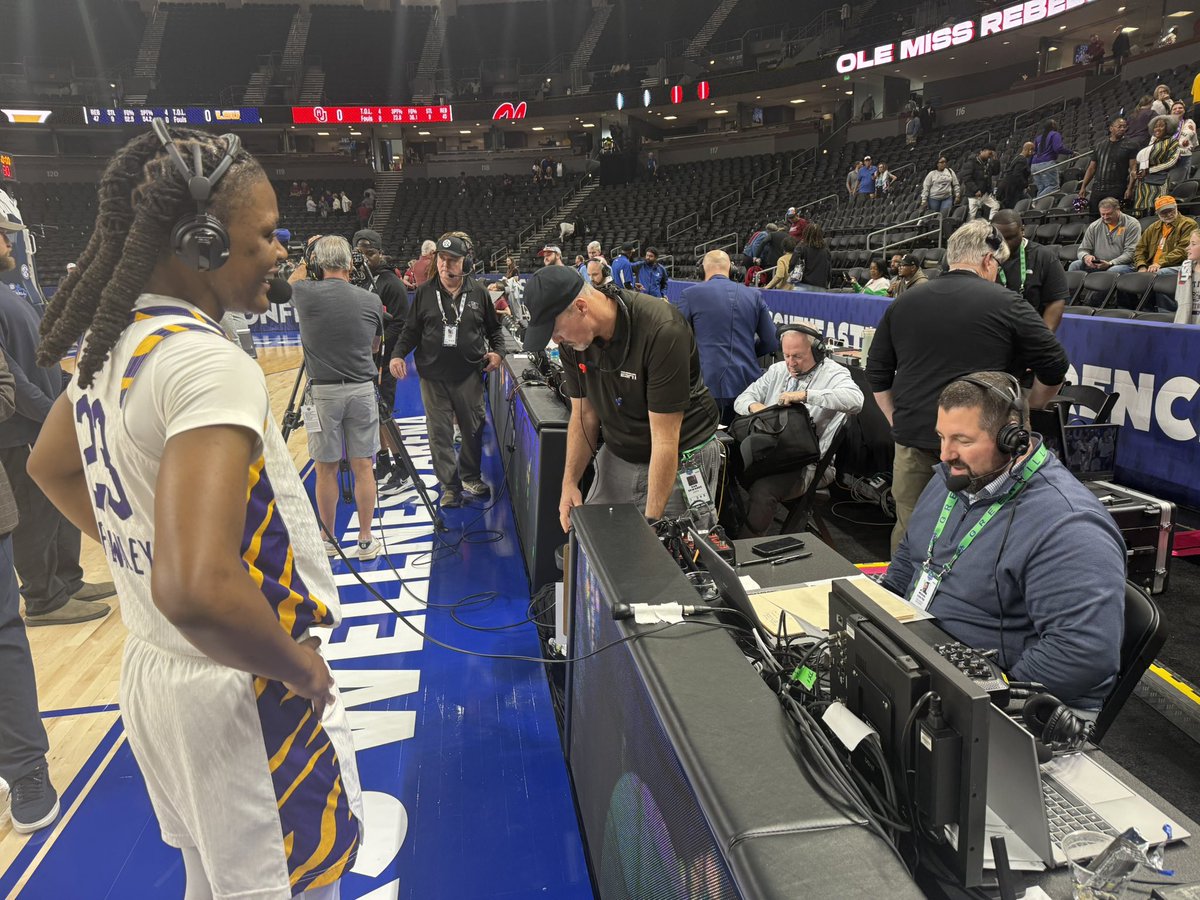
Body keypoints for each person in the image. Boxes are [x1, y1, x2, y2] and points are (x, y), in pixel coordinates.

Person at [28, 123, 362, 897]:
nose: (283, 253)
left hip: (155, 675)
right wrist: (300, 668)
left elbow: (49, 466)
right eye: (268, 236)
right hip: (240, 685)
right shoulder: (207, 362)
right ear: (203, 243)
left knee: (212, 884)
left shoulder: (117, 345)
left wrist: (140, 549)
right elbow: (197, 589)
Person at [881, 373, 1125, 712]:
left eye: (962, 440)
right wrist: (872, 624)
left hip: (1006, 699)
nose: (945, 454)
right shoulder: (959, 478)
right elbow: (911, 558)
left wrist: (983, 698)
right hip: (926, 662)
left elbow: (1081, 655)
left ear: (1013, 439)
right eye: (941, 436)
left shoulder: (1069, 526)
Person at [865, 219, 1069, 552]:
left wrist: (895, 420)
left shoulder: (905, 302)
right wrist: (1029, 409)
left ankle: (900, 601)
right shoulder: (1008, 303)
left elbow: (877, 372)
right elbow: (1056, 365)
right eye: (998, 265)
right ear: (989, 260)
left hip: (914, 438)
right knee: (981, 537)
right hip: (985, 445)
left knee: (910, 534)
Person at [521, 266, 721, 530]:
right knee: (596, 545)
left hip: (678, 457)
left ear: (581, 307)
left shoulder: (662, 330)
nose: (555, 339)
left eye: (555, 330)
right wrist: (569, 484)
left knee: (663, 555)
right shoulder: (573, 345)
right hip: (620, 452)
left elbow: (664, 440)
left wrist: (652, 526)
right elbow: (584, 415)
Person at [0, 222, 114, 627]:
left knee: (59, 506)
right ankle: (44, 598)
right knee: (34, 513)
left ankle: (67, 580)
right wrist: (52, 415)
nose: (10, 241)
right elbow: (10, 375)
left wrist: (72, 394)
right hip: (20, 429)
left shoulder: (10, 290)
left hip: (43, 419)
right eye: (2, 234)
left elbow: (36, 359)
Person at [389, 234, 505, 508]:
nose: (445, 264)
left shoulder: (478, 292)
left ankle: (470, 476)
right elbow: (410, 331)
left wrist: (498, 353)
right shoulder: (425, 293)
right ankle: (449, 487)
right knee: (439, 433)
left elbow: (495, 330)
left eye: (452, 259)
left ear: (466, 262)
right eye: (441, 258)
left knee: (472, 429)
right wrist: (397, 354)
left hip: (469, 375)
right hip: (433, 378)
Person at [290, 236, 385, 559]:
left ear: (318, 264)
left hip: (323, 393)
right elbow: (375, 346)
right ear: (350, 264)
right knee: (363, 467)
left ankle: (329, 539)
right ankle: (365, 539)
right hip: (361, 390)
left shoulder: (305, 293)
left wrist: (307, 259)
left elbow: (286, 283)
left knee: (325, 469)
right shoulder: (370, 300)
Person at [733, 327, 863, 536]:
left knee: (763, 490)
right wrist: (762, 411)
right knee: (724, 467)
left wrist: (805, 395)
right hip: (772, 456)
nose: (791, 363)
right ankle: (725, 536)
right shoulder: (778, 370)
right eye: (787, 355)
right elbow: (742, 400)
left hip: (810, 465)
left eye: (798, 356)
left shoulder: (834, 373)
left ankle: (746, 550)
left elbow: (856, 401)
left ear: (818, 351)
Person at [676, 250, 777, 424]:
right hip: (749, 385)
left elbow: (677, 340)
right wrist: (747, 352)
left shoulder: (690, 294)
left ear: (703, 269)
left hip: (705, 386)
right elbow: (772, 341)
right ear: (731, 268)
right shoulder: (754, 295)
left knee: (710, 446)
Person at [992, 209, 1070, 332]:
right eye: (1000, 238)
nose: (1004, 244)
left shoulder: (1044, 256)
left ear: (1022, 230)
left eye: (1010, 238)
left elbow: (1056, 300)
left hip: (1029, 331)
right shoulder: (985, 256)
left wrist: (1044, 337)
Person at [1132, 196, 1197, 311]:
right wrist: (1141, 265)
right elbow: (1140, 249)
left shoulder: (1188, 224)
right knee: (1118, 271)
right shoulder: (1153, 227)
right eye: (1164, 212)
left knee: (1161, 274)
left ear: (1176, 207)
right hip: (1149, 266)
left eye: (1171, 210)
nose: (1168, 214)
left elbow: (1182, 250)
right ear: (1157, 213)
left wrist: (1159, 263)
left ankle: (1166, 312)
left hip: (1175, 265)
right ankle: (1131, 309)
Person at [1078, 116, 1136, 219]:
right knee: (1094, 219)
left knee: (1114, 219)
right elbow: (1091, 168)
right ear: (1111, 128)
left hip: (1117, 189)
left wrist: (1130, 188)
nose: (1122, 129)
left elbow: (1133, 169)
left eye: (1124, 127)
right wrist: (1083, 187)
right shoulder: (1100, 145)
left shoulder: (1131, 145)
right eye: (1119, 126)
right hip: (1098, 189)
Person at [1071, 198, 1141, 274]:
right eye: (1102, 214)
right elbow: (1082, 249)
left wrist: (1111, 263)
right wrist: (1086, 257)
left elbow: (1131, 253)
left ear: (1118, 210)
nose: (1105, 217)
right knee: (1075, 265)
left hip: (1124, 264)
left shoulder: (1132, 224)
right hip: (1099, 264)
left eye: (1109, 214)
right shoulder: (1094, 226)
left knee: (1112, 271)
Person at [1134, 116, 1180, 216]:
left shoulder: (1172, 142)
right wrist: (1141, 172)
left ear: (1168, 128)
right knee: (1142, 210)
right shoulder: (1152, 143)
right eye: (1155, 127)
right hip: (1143, 181)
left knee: (1158, 210)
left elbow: (1172, 162)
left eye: (1161, 126)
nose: (1157, 129)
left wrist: (1149, 170)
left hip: (1159, 181)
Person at [1030, 120, 1072, 197]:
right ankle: (1035, 202)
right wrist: (1071, 152)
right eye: (1055, 123)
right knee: (1053, 187)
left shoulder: (1038, 137)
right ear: (1053, 125)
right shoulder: (1055, 134)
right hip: (1046, 163)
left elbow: (1034, 152)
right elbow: (1058, 148)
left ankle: (1038, 206)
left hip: (1034, 165)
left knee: (1042, 188)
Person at [960, 145, 1000, 220]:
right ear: (982, 151)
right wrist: (975, 189)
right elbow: (967, 178)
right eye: (989, 153)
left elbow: (995, 172)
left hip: (984, 193)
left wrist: (995, 160)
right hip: (974, 194)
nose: (990, 156)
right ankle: (971, 230)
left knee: (995, 206)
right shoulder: (971, 162)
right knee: (972, 215)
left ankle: (990, 224)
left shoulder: (988, 163)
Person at [794, 223, 832, 290]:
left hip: (803, 285)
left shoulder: (801, 247)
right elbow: (828, 269)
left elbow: (793, 264)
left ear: (805, 233)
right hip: (821, 286)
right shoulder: (826, 250)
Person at [1173, 230, 1200, 324]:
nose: (1187, 248)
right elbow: (1182, 303)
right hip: (1186, 327)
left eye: (1193, 244)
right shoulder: (1185, 267)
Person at [998, 142, 1034, 209]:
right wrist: (1025, 184)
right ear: (1029, 149)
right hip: (1011, 189)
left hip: (1010, 187)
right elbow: (1017, 174)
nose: (1033, 153)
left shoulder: (1018, 157)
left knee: (1027, 200)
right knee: (1012, 208)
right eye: (1032, 150)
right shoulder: (1022, 160)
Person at [1169, 101, 1196, 185]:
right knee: (1169, 180)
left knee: (1180, 181)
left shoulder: (1189, 122)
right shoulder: (1167, 124)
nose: (1177, 110)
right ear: (1171, 112)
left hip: (1184, 155)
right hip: (1169, 155)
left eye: (1180, 108)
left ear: (1184, 110)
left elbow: (1193, 140)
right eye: (1174, 109)